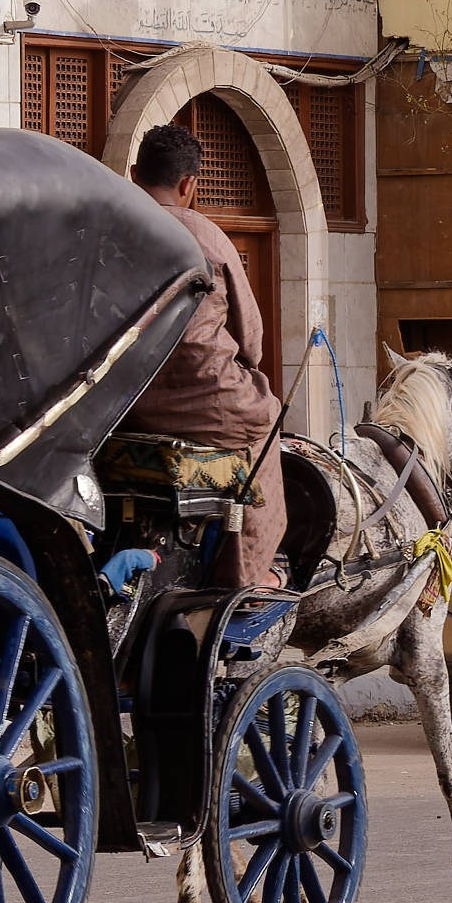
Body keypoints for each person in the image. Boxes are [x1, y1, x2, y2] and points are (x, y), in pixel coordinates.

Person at [122, 122, 286, 589]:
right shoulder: (207, 237)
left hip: (123, 404)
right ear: (189, 184)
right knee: (266, 418)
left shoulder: (111, 227)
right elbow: (250, 341)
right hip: (207, 402)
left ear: (135, 174)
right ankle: (250, 574)